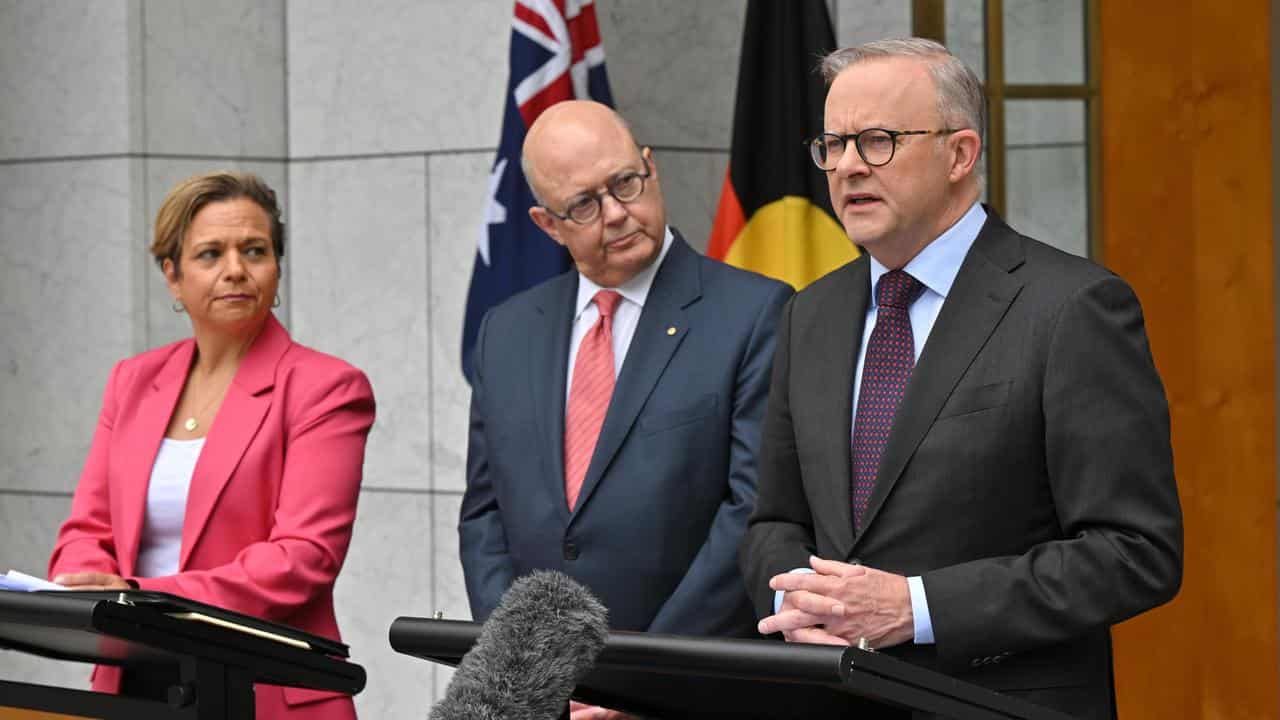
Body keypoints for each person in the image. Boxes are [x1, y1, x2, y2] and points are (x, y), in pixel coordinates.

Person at [739, 39, 1182, 719]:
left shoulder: (1072, 307)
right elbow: (776, 518)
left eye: (877, 140)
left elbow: (1134, 553)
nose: (848, 166)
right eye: (832, 144)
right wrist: (799, 598)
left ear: (960, 154)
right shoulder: (810, 314)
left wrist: (913, 608)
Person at [459, 101, 792, 718]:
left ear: (651, 167)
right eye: (583, 204)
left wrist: (644, 678)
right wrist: (530, 669)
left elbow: (750, 513)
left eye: (625, 183)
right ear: (546, 223)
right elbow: (484, 516)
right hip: (540, 697)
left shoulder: (755, 314)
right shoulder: (506, 330)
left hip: (687, 691)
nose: (616, 213)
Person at [48, 171, 375, 720]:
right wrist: (87, 580)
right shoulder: (133, 381)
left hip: (262, 687)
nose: (235, 270)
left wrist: (138, 597)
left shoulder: (326, 387)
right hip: (133, 680)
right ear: (172, 275)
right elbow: (86, 531)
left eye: (255, 250)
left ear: (277, 265)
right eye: (210, 254)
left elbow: (302, 559)